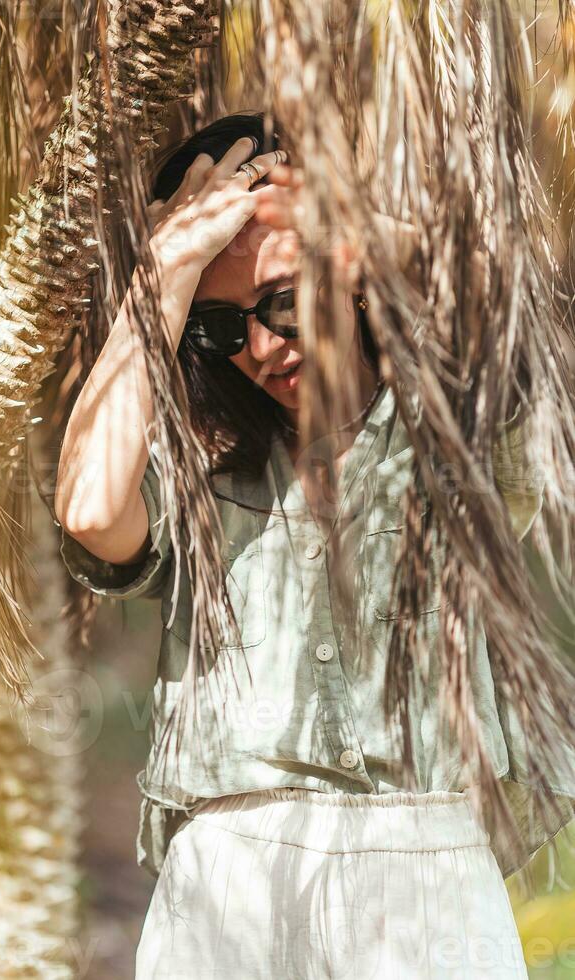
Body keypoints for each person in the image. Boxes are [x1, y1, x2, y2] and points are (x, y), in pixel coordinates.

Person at [54, 111, 557, 978]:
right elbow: (94, 511)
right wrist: (162, 271)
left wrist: (368, 225)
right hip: (226, 882)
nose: (257, 347)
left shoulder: (460, 432)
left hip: (423, 869)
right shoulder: (195, 467)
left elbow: (532, 321)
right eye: (216, 326)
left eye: (281, 302)